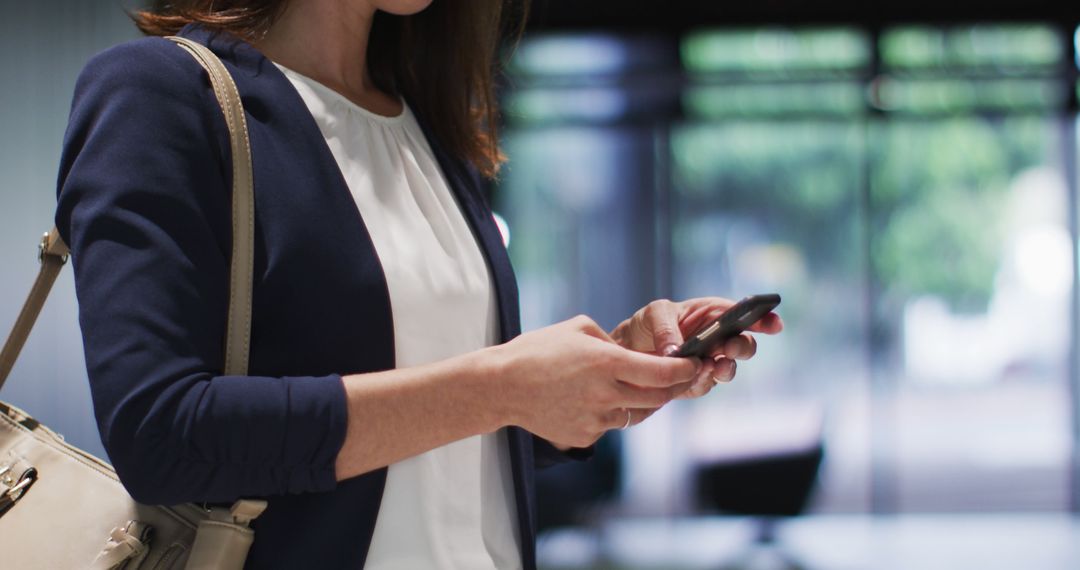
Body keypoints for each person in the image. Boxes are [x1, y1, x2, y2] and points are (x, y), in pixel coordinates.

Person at [53, 0, 783, 568]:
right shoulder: (162, 93)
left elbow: (435, 448)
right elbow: (161, 435)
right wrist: (501, 384)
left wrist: (598, 376)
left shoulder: (428, 126)